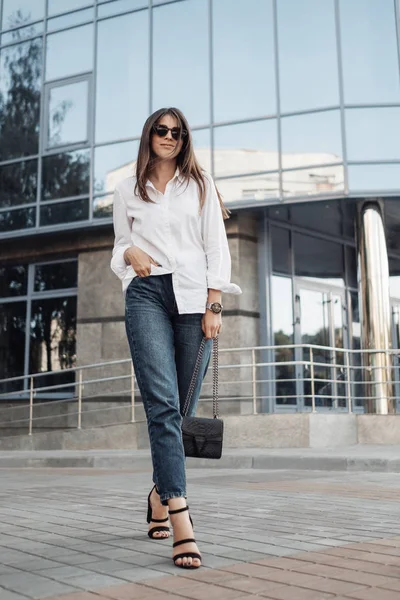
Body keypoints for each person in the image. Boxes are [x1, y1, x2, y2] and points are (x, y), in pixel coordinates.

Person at [111, 107, 241, 569]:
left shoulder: (200, 186)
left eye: (178, 132)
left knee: (180, 411)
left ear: (185, 139)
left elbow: (215, 247)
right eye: (162, 130)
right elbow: (119, 244)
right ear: (149, 135)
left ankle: (157, 493)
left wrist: (214, 305)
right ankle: (182, 518)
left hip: (193, 301)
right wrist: (129, 250)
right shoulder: (127, 187)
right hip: (146, 295)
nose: (169, 137)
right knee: (162, 406)